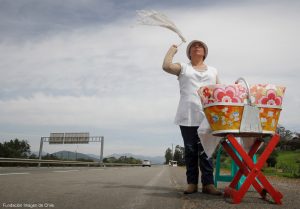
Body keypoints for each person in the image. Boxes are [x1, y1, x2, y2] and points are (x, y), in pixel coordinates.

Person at [162, 40, 222, 195]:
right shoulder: (183, 67)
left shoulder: (213, 70)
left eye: (200, 46)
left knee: (206, 151)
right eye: (193, 46)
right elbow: (166, 66)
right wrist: (172, 50)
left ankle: (208, 184)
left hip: (207, 116)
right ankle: (192, 184)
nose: (197, 47)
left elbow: (220, 93)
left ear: (204, 52)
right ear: (189, 52)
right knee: (190, 151)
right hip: (187, 115)